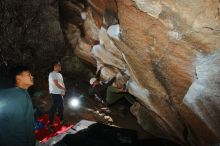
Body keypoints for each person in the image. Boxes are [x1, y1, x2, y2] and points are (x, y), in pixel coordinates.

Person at [0, 65, 35, 146]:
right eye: (28, 74)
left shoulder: (21, 93)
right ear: (18, 78)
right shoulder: (17, 96)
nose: (32, 76)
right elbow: (17, 129)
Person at [48, 61, 66, 126]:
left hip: (60, 93)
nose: (60, 67)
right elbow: (56, 83)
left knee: (61, 107)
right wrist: (63, 89)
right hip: (54, 93)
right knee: (54, 108)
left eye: (60, 66)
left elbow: (62, 83)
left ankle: (61, 120)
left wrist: (64, 90)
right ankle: (50, 123)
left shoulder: (60, 74)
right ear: (55, 67)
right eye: (59, 66)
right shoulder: (52, 74)